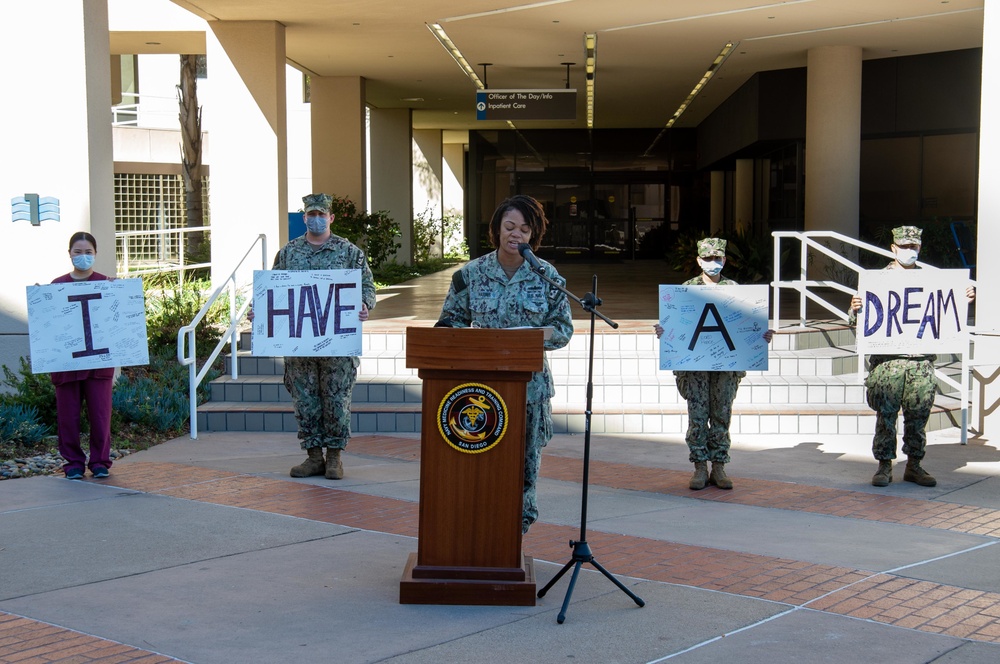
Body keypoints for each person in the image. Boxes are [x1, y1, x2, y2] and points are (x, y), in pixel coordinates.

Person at [436, 195, 573, 534]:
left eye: (524, 230)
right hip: (481, 389)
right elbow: (448, 322)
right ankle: (481, 530)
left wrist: (536, 336)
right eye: (509, 227)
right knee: (481, 463)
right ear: (496, 229)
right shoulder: (471, 274)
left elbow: (564, 330)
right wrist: (467, 340)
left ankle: (516, 533)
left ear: (533, 235)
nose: (516, 235)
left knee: (525, 467)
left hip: (530, 391)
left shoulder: (547, 276)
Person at [849, 225, 976, 488]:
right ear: (893, 248)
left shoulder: (933, 282)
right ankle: (884, 466)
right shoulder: (877, 282)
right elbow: (859, 323)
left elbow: (946, 312)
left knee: (918, 417)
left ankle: (914, 465)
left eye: (914, 246)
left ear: (920, 248)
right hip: (888, 363)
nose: (909, 251)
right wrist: (854, 309)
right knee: (886, 417)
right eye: (904, 246)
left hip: (920, 363)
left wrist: (963, 299)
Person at [654, 238, 773, 491]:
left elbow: (746, 327)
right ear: (698, 260)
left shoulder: (735, 290)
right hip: (695, 366)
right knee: (697, 416)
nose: (712, 263)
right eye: (707, 259)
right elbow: (678, 324)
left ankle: (719, 466)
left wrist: (760, 336)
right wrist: (665, 331)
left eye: (717, 258)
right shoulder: (687, 289)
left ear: (724, 260)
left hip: (726, 365)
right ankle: (699, 467)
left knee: (721, 414)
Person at [273, 193, 376, 480]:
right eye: (311, 214)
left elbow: (367, 285)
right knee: (305, 399)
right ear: (304, 217)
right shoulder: (288, 253)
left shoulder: (349, 251)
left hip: (337, 344)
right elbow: (275, 291)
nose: (316, 219)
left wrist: (365, 304)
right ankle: (313, 456)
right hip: (300, 344)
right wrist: (262, 315)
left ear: (330, 217)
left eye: (322, 214)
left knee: (336, 398)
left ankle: (334, 457)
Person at [51, 232, 115, 480]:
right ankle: (73, 464)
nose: (83, 257)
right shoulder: (57, 286)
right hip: (67, 362)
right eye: (78, 252)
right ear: (69, 254)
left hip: (98, 363)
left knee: (100, 415)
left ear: (95, 254)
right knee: (68, 416)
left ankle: (100, 462)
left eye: (88, 252)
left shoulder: (106, 284)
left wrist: (119, 291)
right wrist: (39, 300)